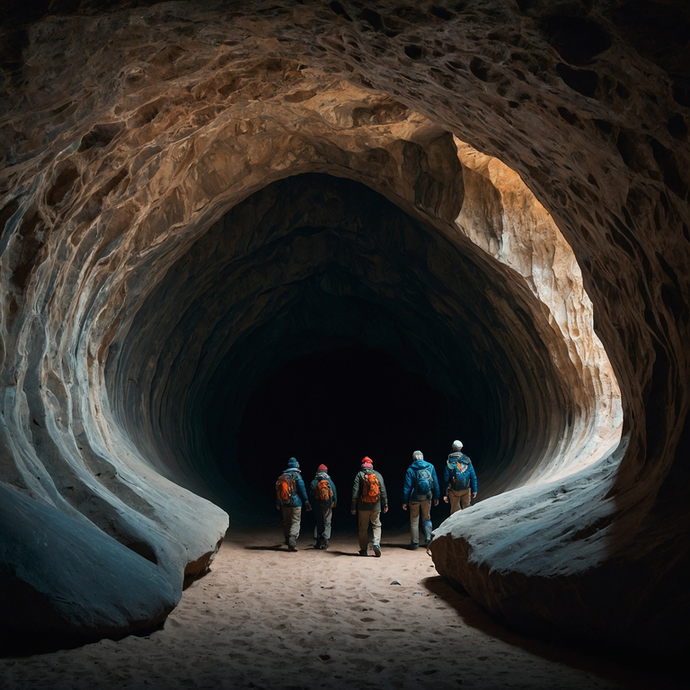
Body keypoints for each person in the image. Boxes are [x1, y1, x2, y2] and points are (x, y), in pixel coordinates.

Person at [350, 456, 388, 557]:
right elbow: (383, 490)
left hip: (363, 507)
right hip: (376, 506)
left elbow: (355, 492)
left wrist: (353, 506)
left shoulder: (359, 475)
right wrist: (386, 503)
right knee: (376, 525)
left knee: (363, 528)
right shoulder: (378, 475)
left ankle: (363, 550)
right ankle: (376, 543)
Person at [402, 450, 440, 549]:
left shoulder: (411, 469)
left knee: (414, 520)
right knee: (427, 518)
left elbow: (407, 487)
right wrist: (437, 496)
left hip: (414, 498)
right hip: (427, 497)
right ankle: (428, 539)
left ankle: (415, 543)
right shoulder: (430, 467)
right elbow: (435, 482)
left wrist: (405, 501)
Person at [275, 457, 311, 551]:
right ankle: (292, 539)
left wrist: (278, 502)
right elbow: (302, 490)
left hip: (284, 503)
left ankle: (287, 539)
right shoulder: (297, 476)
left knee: (287, 522)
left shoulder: (282, 476)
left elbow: (278, 491)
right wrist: (306, 502)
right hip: (296, 503)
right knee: (295, 521)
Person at [442, 440, 477, 514]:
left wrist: (444, 494)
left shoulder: (450, 461)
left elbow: (446, 478)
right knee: (467, 508)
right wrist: (474, 490)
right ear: (461, 447)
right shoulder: (467, 460)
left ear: (452, 447)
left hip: (453, 490)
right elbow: (473, 475)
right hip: (466, 489)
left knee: (455, 511)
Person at [309, 464, 337, 550]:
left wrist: (311, 504)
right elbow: (334, 493)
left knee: (319, 522)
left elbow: (311, 495)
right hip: (328, 506)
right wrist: (334, 503)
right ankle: (326, 541)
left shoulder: (314, 482)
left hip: (318, 506)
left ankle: (318, 542)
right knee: (327, 523)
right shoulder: (329, 481)